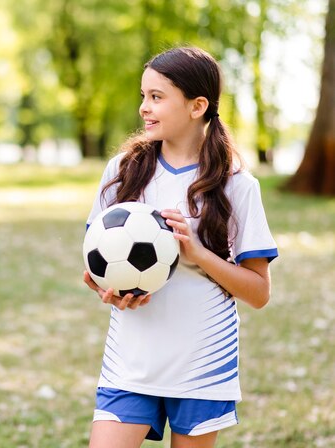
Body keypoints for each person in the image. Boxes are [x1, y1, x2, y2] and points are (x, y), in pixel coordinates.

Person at [83, 46, 278, 448]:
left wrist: (198, 254)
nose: (144, 108)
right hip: (131, 359)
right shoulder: (122, 171)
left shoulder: (237, 185)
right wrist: (110, 290)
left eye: (156, 97)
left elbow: (259, 293)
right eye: (143, 96)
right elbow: (96, 264)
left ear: (197, 106)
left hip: (201, 363)